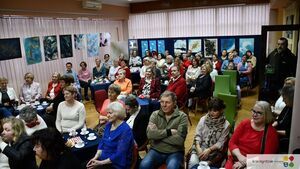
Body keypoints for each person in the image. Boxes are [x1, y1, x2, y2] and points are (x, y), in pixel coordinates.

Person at [139, 91, 188, 169]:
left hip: (174, 152)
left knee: (172, 167)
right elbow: (150, 135)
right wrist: (169, 132)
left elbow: (179, 140)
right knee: (143, 165)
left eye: (167, 102)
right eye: (162, 102)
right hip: (156, 150)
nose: (164, 105)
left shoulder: (183, 117)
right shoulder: (155, 114)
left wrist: (157, 135)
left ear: (174, 103)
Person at [225, 101, 279, 169]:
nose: (254, 115)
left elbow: (267, 158)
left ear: (266, 115)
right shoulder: (245, 123)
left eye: (259, 113)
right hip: (235, 159)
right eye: (253, 111)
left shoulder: (271, 132)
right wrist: (240, 156)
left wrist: (246, 162)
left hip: (255, 165)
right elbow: (232, 142)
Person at [87, 102, 134, 169]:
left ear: (118, 113)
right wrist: (95, 158)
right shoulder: (109, 124)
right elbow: (102, 143)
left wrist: (100, 163)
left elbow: (119, 155)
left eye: (110, 113)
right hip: (104, 158)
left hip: (116, 164)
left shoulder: (126, 130)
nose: (107, 115)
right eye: (107, 113)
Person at [188, 98, 230, 169]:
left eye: (215, 111)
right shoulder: (203, 119)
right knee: (193, 163)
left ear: (221, 110)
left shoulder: (226, 125)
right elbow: (197, 136)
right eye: (210, 110)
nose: (211, 113)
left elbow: (220, 143)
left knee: (206, 167)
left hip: (214, 155)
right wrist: (198, 148)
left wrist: (209, 150)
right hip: (200, 149)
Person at [273, 85, 294, 153]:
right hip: (278, 131)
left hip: (285, 139)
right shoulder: (287, 106)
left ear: (291, 98)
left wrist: (275, 132)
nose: (283, 100)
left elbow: (289, 132)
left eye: (284, 98)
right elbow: (279, 119)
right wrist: (272, 126)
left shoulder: (295, 112)